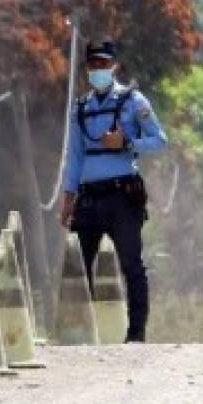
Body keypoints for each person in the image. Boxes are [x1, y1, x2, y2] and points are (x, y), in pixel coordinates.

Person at [59, 40, 168, 342]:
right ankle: (78, 333)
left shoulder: (134, 101)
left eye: (104, 64)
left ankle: (136, 335)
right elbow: (75, 157)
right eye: (93, 65)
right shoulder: (81, 108)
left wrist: (128, 144)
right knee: (79, 267)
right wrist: (68, 201)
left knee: (132, 265)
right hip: (89, 198)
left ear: (114, 66)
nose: (98, 70)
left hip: (122, 196)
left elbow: (160, 140)